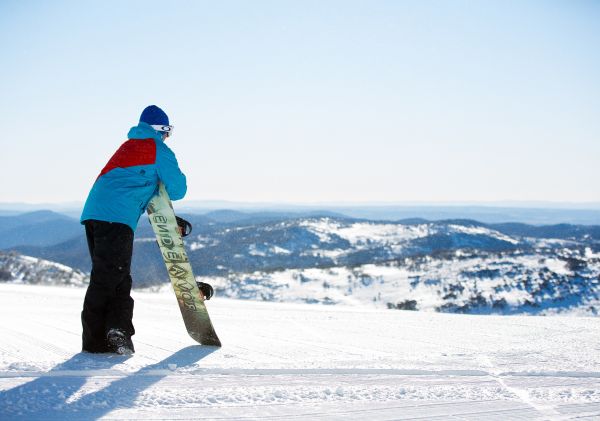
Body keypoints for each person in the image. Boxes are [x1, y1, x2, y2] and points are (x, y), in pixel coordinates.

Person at [80, 105, 186, 354]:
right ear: (161, 129)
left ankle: (114, 334)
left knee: (114, 276)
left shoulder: (127, 147)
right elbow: (179, 189)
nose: (168, 137)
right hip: (116, 219)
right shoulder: (158, 149)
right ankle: (97, 341)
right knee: (108, 279)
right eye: (168, 131)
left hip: (94, 214)